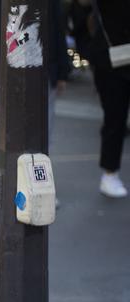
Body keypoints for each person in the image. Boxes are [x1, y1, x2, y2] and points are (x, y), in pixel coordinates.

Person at [0, 0, 70, 196]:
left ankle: (38, 189)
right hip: (7, 69)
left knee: (42, 133)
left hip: (43, 69)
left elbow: (57, 26)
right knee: (9, 130)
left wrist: (62, 70)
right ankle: (2, 172)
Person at [78, 0, 130, 198]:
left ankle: (110, 175)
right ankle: (110, 173)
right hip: (110, 59)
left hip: (109, 56)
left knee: (114, 120)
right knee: (114, 119)